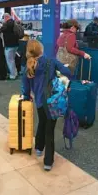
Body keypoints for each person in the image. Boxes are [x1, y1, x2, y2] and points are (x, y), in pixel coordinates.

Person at [22, 40, 73, 171]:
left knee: (42, 123)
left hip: (39, 101)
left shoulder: (28, 66)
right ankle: (48, 162)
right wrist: (65, 83)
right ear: (41, 49)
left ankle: (39, 148)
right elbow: (67, 72)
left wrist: (27, 97)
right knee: (50, 130)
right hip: (52, 101)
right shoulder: (51, 61)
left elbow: (26, 89)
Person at [0, 13, 20, 80]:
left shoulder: (7, 24)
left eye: (3, 18)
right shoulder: (14, 22)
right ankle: (15, 73)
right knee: (12, 60)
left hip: (9, 45)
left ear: (6, 17)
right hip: (16, 44)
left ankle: (13, 75)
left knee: (10, 60)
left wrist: (3, 24)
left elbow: (1, 30)